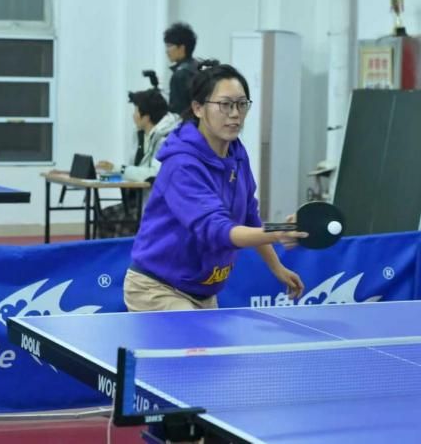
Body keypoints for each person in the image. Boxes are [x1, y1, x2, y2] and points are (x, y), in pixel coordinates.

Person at [124, 62, 306, 312]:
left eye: (242, 104)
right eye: (225, 104)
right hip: (157, 288)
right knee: (195, 337)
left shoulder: (236, 154)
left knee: (207, 338)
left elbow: (249, 217)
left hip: (203, 292)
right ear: (198, 108)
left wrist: (278, 268)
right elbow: (218, 230)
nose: (235, 114)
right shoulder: (181, 165)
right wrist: (279, 232)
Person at [96, 87, 180, 237]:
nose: (133, 116)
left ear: (146, 117)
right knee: (104, 216)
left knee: (118, 222)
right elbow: (133, 172)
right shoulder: (141, 136)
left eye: (136, 111)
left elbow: (152, 174)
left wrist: (118, 168)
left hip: (155, 205)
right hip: (137, 199)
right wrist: (107, 176)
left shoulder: (166, 139)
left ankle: (129, 252)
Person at [163, 22, 199, 115]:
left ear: (182, 48)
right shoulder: (197, 66)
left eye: (169, 46)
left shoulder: (180, 75)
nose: (167, 51)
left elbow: (178, 112)